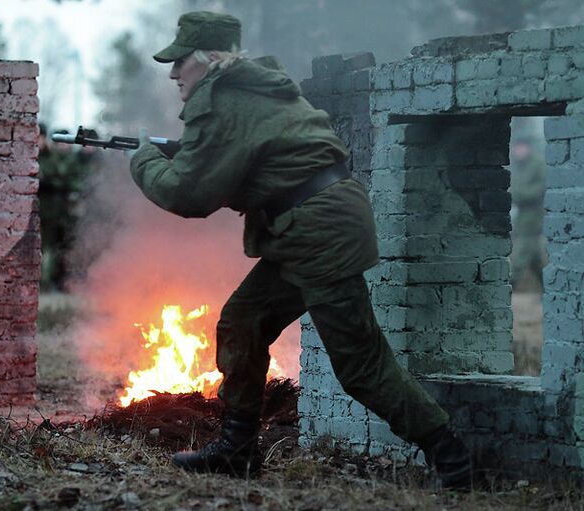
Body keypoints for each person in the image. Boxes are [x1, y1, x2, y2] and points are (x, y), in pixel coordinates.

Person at [129, 11, 472, 488]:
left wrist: (144, 158)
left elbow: (190, 196)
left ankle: (453, 460)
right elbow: (251, 168)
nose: (172, 72)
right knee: (243, 323)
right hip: (308, 225)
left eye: (180, 61)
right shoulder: (254, 91)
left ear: (207, 61)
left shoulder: (224, 99)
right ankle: (237, 451)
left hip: (319, 230)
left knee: (361, 366)